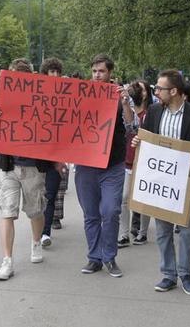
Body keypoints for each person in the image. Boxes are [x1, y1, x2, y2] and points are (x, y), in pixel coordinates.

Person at [131, 70, 190, 296]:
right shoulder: (155, 111)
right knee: (162, 231)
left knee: (188, 230)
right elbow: (147, 137)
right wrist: (139, 140)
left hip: (186, 184)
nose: (156, 92)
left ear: (174, 91)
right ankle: (169, 274)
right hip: (161, 183)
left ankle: (185, 273)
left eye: (160, 89)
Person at [0, 58, 64, 280]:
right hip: (9, 166)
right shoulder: (2, 101)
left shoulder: (42, 101)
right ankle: (7, 261)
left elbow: (54, 131)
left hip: (33, 167)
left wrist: (57, 160)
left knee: (35, 211)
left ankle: (35, 242)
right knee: (7, 212)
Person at [75, 54, 137, 278]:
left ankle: (109, 257)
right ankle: (94, 258)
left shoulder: (120, 96)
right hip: (86, 165)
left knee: (110, 211)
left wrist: (125, 104)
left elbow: (131, 126)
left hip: (112, 165)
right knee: (91, 214)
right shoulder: (81, 94)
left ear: (110, 73)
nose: (97, 75)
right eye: (94, 71)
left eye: (101, 71)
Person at [118, 80, 152, 248]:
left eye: (140, 88)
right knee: (123, 198)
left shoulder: (152, 113)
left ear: (146, 93)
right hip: (128, 161)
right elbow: (130, 127)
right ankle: (123, 234)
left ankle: (142, 233)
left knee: (143, 199)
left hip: (145, 162)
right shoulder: (129, 110)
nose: (136, 90)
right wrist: (125, 104)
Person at [39, 57, 69, 248]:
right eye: (52, 71)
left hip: (56, 154)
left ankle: (45, 232)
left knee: (50, 195)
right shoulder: (37, 94)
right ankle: (39, 227)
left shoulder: (67, 96)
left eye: (58, 71)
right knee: (37, 197)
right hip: (37, 155)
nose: (55, 75)